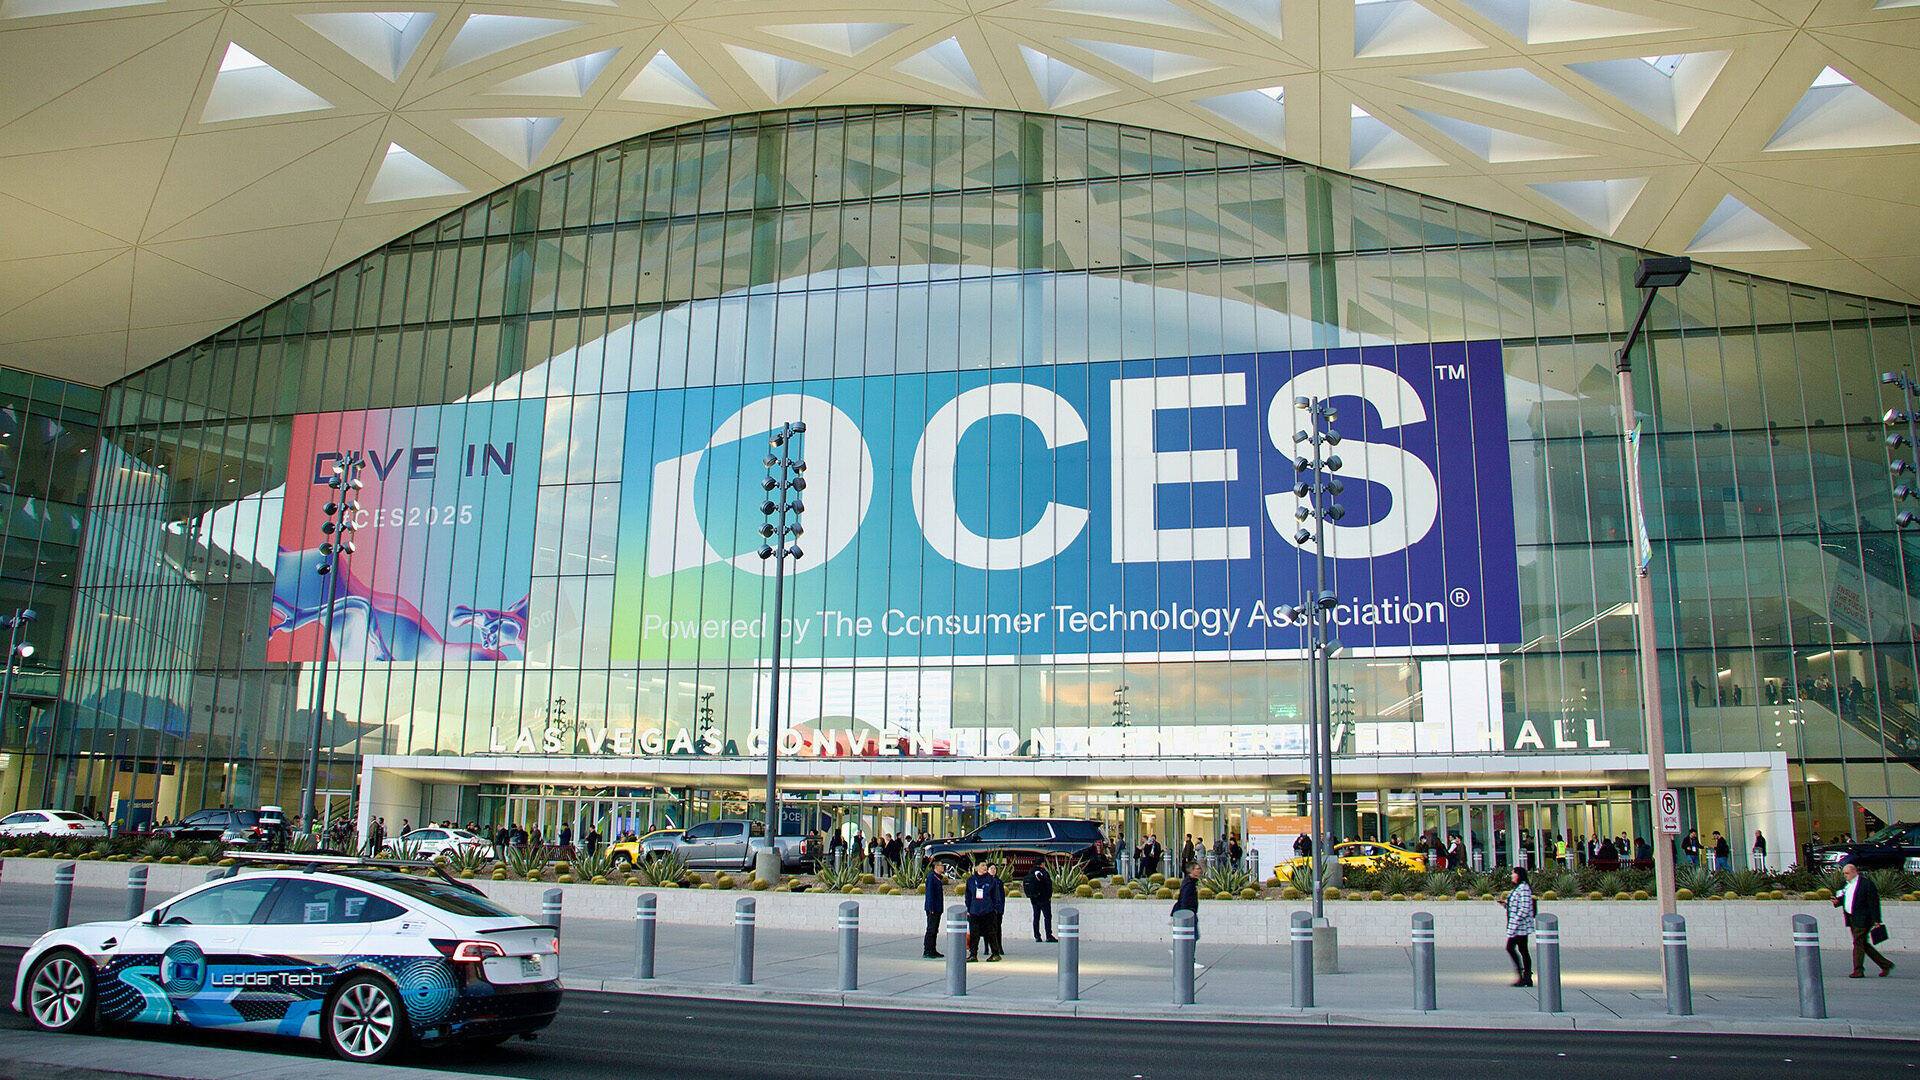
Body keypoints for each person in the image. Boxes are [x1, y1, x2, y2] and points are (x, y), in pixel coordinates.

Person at [1834, 860, 1895, 978]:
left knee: (1858, 942)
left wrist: (1876, 920)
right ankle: (1885, 964)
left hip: (1864, 918)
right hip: (1851, 917)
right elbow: (1843, 898)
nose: (1845, 876)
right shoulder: (1845, 885)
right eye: (1844, 873)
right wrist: (1837, 902)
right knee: (1862, 943)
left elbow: (1873, 903)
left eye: (1847, 873)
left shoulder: (1866, 884)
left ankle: (1858, 970)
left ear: (1854, 872)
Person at [964, 862, 1004, 962]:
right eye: (982, 865)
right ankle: (973, 954)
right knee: (974, 934)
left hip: (988, 911)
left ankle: (995, 953)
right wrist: (968, 908)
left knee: (991, 933)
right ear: (976, 867)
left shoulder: (991, 880)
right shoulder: (971, 880)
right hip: (974, 911)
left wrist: (994, 908)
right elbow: (968, 895)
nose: (985, 867)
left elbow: (996, 896)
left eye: (985, 865)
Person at [1503, 866, 1535, 987]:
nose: (1512, 876)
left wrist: (1515, 921)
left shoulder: (1524, 889)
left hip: (1520, 927)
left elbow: (1525, 908)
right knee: (1522, 949)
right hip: (1517, 926)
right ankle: (1526, 976)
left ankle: (1523, 975)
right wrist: (1506, 905)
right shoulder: (1518, 888)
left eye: (1513, 874)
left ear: (1519, 875)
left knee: (1511, 947)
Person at [1170, 862, 1203, 972]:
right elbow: (1184, 900)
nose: (1199, 871)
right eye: (1197, 869)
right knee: (1191, 938)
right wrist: (1186, 915)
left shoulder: (1190, 883)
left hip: (1190, 913)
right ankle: (1189, 960)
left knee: (1192, 937)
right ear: (1191, 871)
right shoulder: (1189, 885)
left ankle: (1181, 954)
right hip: (1189, 914)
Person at [1026, 862, 1056, 942]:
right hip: (1043, 898)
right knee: (1047, 916)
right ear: (1042, 864)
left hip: (1033, 898)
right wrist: (1049, 896)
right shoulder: (1043, 873)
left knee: (1036, 917)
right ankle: (1048, 935)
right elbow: (1048, 885)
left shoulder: (1031, 872)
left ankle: (1037, 936)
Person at [922, 862, 946, 959]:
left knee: (935, 929)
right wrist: (931, 908)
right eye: (941, 866)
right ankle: (927, 950)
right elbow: (930, 893)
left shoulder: (938, 877)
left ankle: (933, 949)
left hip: (938, 907)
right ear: (936, 867)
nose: (943, 867)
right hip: (933, 908)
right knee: (931, 929)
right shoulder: (932, 877)